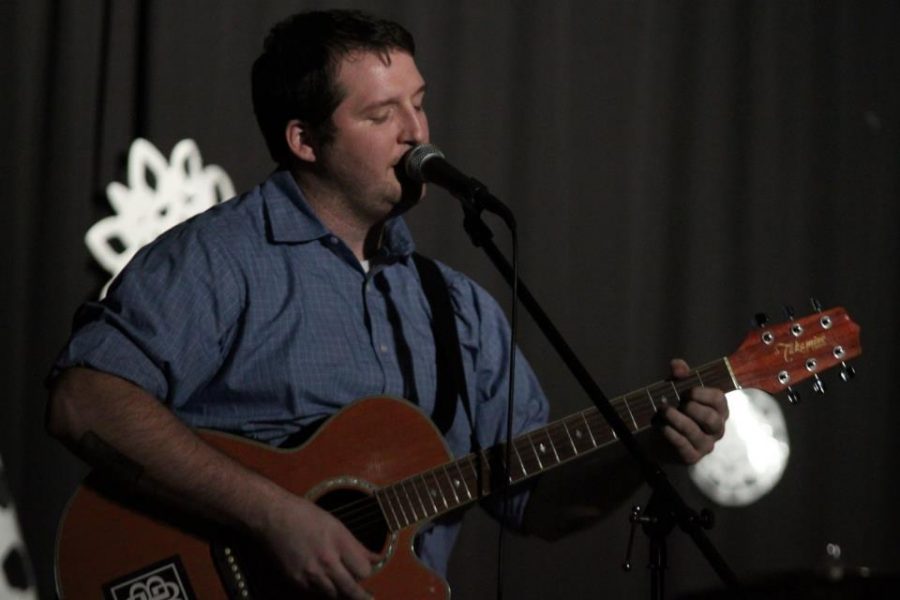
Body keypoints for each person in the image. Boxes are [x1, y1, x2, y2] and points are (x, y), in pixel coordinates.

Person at [46, 9, 727, 599]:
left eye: (419, 102)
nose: (417, 132)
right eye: (381, 114)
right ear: (304, 141)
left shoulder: (457, 309)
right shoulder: (220, 259)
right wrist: (274, 516)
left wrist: (643, 452)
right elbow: (83, 403)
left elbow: (538, 505)